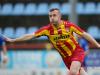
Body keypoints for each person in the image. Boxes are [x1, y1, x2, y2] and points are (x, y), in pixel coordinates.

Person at [8, 8, 100, 75]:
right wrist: (14, 40)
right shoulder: (47, 30)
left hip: (76, 52)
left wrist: (98, 45)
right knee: (81, 72)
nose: (52, 17)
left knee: (72, 72)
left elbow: (85, 34)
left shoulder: (69, 25)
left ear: (59, 16)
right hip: (65, 57)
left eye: (54, 15)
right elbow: (30, 35)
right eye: (50, 16)